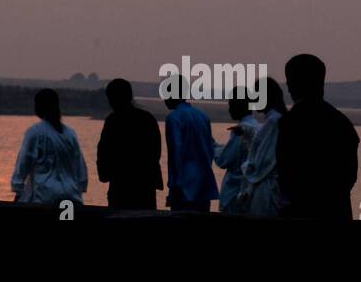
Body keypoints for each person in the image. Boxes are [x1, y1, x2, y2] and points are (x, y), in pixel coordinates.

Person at [277, 53, 360, 219]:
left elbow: (286, 171)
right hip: (338, 210)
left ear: (294, 84)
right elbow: (350, 175)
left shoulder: (293, 121)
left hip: (301, 210)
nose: (287, 85)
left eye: (290, 80)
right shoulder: (341, 121)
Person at [11, 89, 89, 207]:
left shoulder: (35, 132)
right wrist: (80, 188)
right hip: (71, 199)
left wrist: (18, 189)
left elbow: (23, 164)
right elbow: (81, 169)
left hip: (44, 199)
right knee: (65, 221)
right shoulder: (70, 133)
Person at [96, 78, 163, 210]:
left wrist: (105, 174)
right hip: (145, 188)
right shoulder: (148, 119)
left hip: (120, 187)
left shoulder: (113, 121)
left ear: (112, 98)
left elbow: (104, 153)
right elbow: (156, 153)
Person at [162, 77, 219, 212]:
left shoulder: (173, 118)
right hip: (204, 184)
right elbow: (210, 149)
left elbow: (176, 152)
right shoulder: (202, 115)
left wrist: (174, 185)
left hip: (184, 186)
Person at [238, 77, 287, 216]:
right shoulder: (273, 120)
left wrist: (246, 167)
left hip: (265, 191)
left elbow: (262, 162)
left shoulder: (273, 121)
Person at [213, 92, 259, 214]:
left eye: (231, 105)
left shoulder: (241, 130)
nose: (229, 110)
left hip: (235, 193)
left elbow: (224, 160)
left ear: (239, 106)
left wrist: (212, 145)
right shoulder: (257, 127)